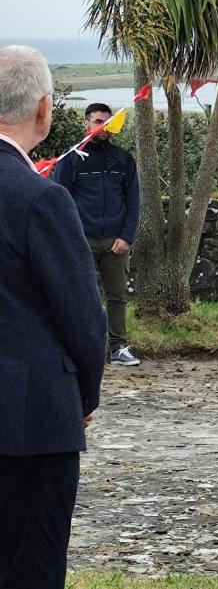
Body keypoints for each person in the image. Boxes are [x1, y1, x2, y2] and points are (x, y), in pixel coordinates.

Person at [0, 45, 107, 589]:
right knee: (31, 568)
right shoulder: (41, 199)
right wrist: (85, 395)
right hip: (31, 418)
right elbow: (84, 318)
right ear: (45, 111)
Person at [54, 102, 141, 366]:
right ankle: (86, 350)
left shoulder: (123, 159)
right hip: (82, 240)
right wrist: (71, 237)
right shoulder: (70, 159)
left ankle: (119, 348)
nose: (101, 127)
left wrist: (127, 237)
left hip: (115, 240)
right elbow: (59, 200)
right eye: (96, 121)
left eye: (106, 121)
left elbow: (133, 201)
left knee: (117, 296)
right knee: (83, 296)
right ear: (86, 124)